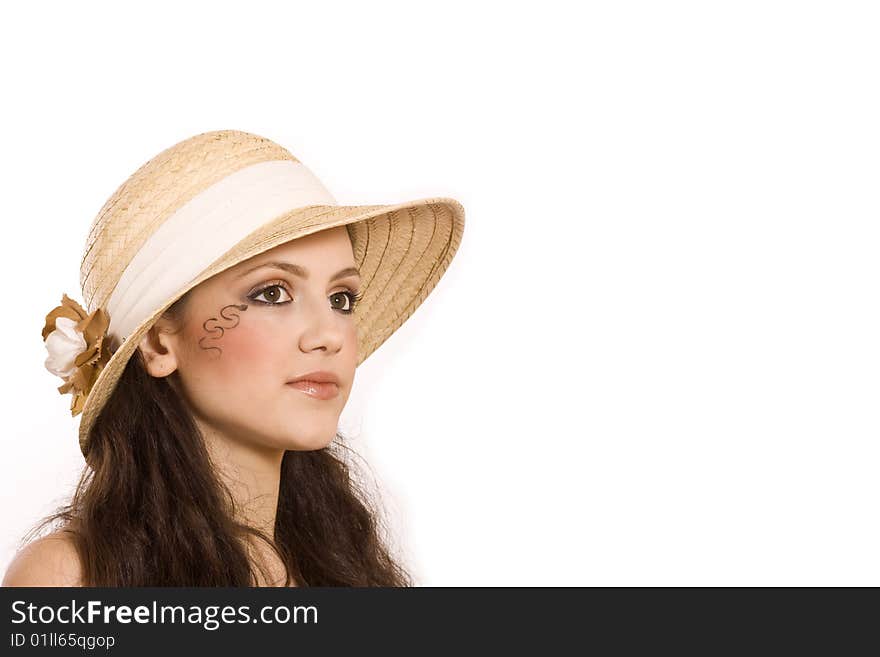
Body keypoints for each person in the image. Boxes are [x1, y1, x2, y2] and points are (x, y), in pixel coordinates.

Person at [2, 129, 464, 586]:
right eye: (272, 292)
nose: (330, 336)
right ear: (160, 344)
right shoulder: (71, 580)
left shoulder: (347, 567)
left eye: (341, 298)